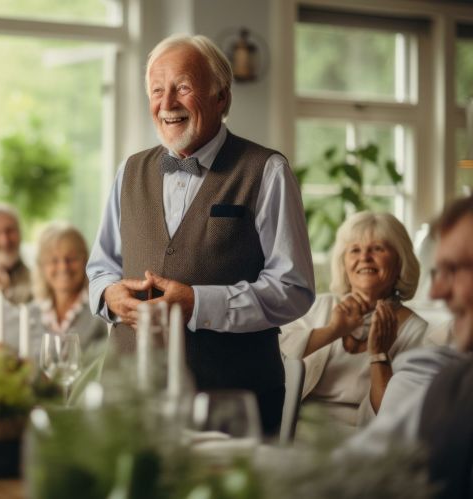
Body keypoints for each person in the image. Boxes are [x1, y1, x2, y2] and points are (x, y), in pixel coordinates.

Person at [86, 34, 315, 436]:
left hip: (231, 407)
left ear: (222, 98)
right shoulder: (129, 171)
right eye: (157, 90)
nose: (168, 103)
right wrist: (109, 295)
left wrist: (198, 303)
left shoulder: (267, 171)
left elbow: (293, 288)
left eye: (184, 87)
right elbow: (101, 267)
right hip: (129, 400)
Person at [348, 184, 473, 499]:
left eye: (454, 270)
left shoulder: (427, 355)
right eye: (438, 273)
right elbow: (352, 471)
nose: (436, 293)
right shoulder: (450, 387)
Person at [280, 212, 427, 428]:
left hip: (362, 445)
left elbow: (396, 416)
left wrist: (379, 354)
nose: (364, 257)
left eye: (378, 248)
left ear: (400, 262)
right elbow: (271, 362)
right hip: (291, 431)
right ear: (344, 264)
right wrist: (333, 330)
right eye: (355, 250)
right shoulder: (318, 306)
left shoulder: (417, 331)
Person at [30, 222, 106, 352]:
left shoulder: (102, 312)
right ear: (42, 266)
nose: (63, 267)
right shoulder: (29, 315)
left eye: (71, 259)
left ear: (86, 261)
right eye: (54, 260)